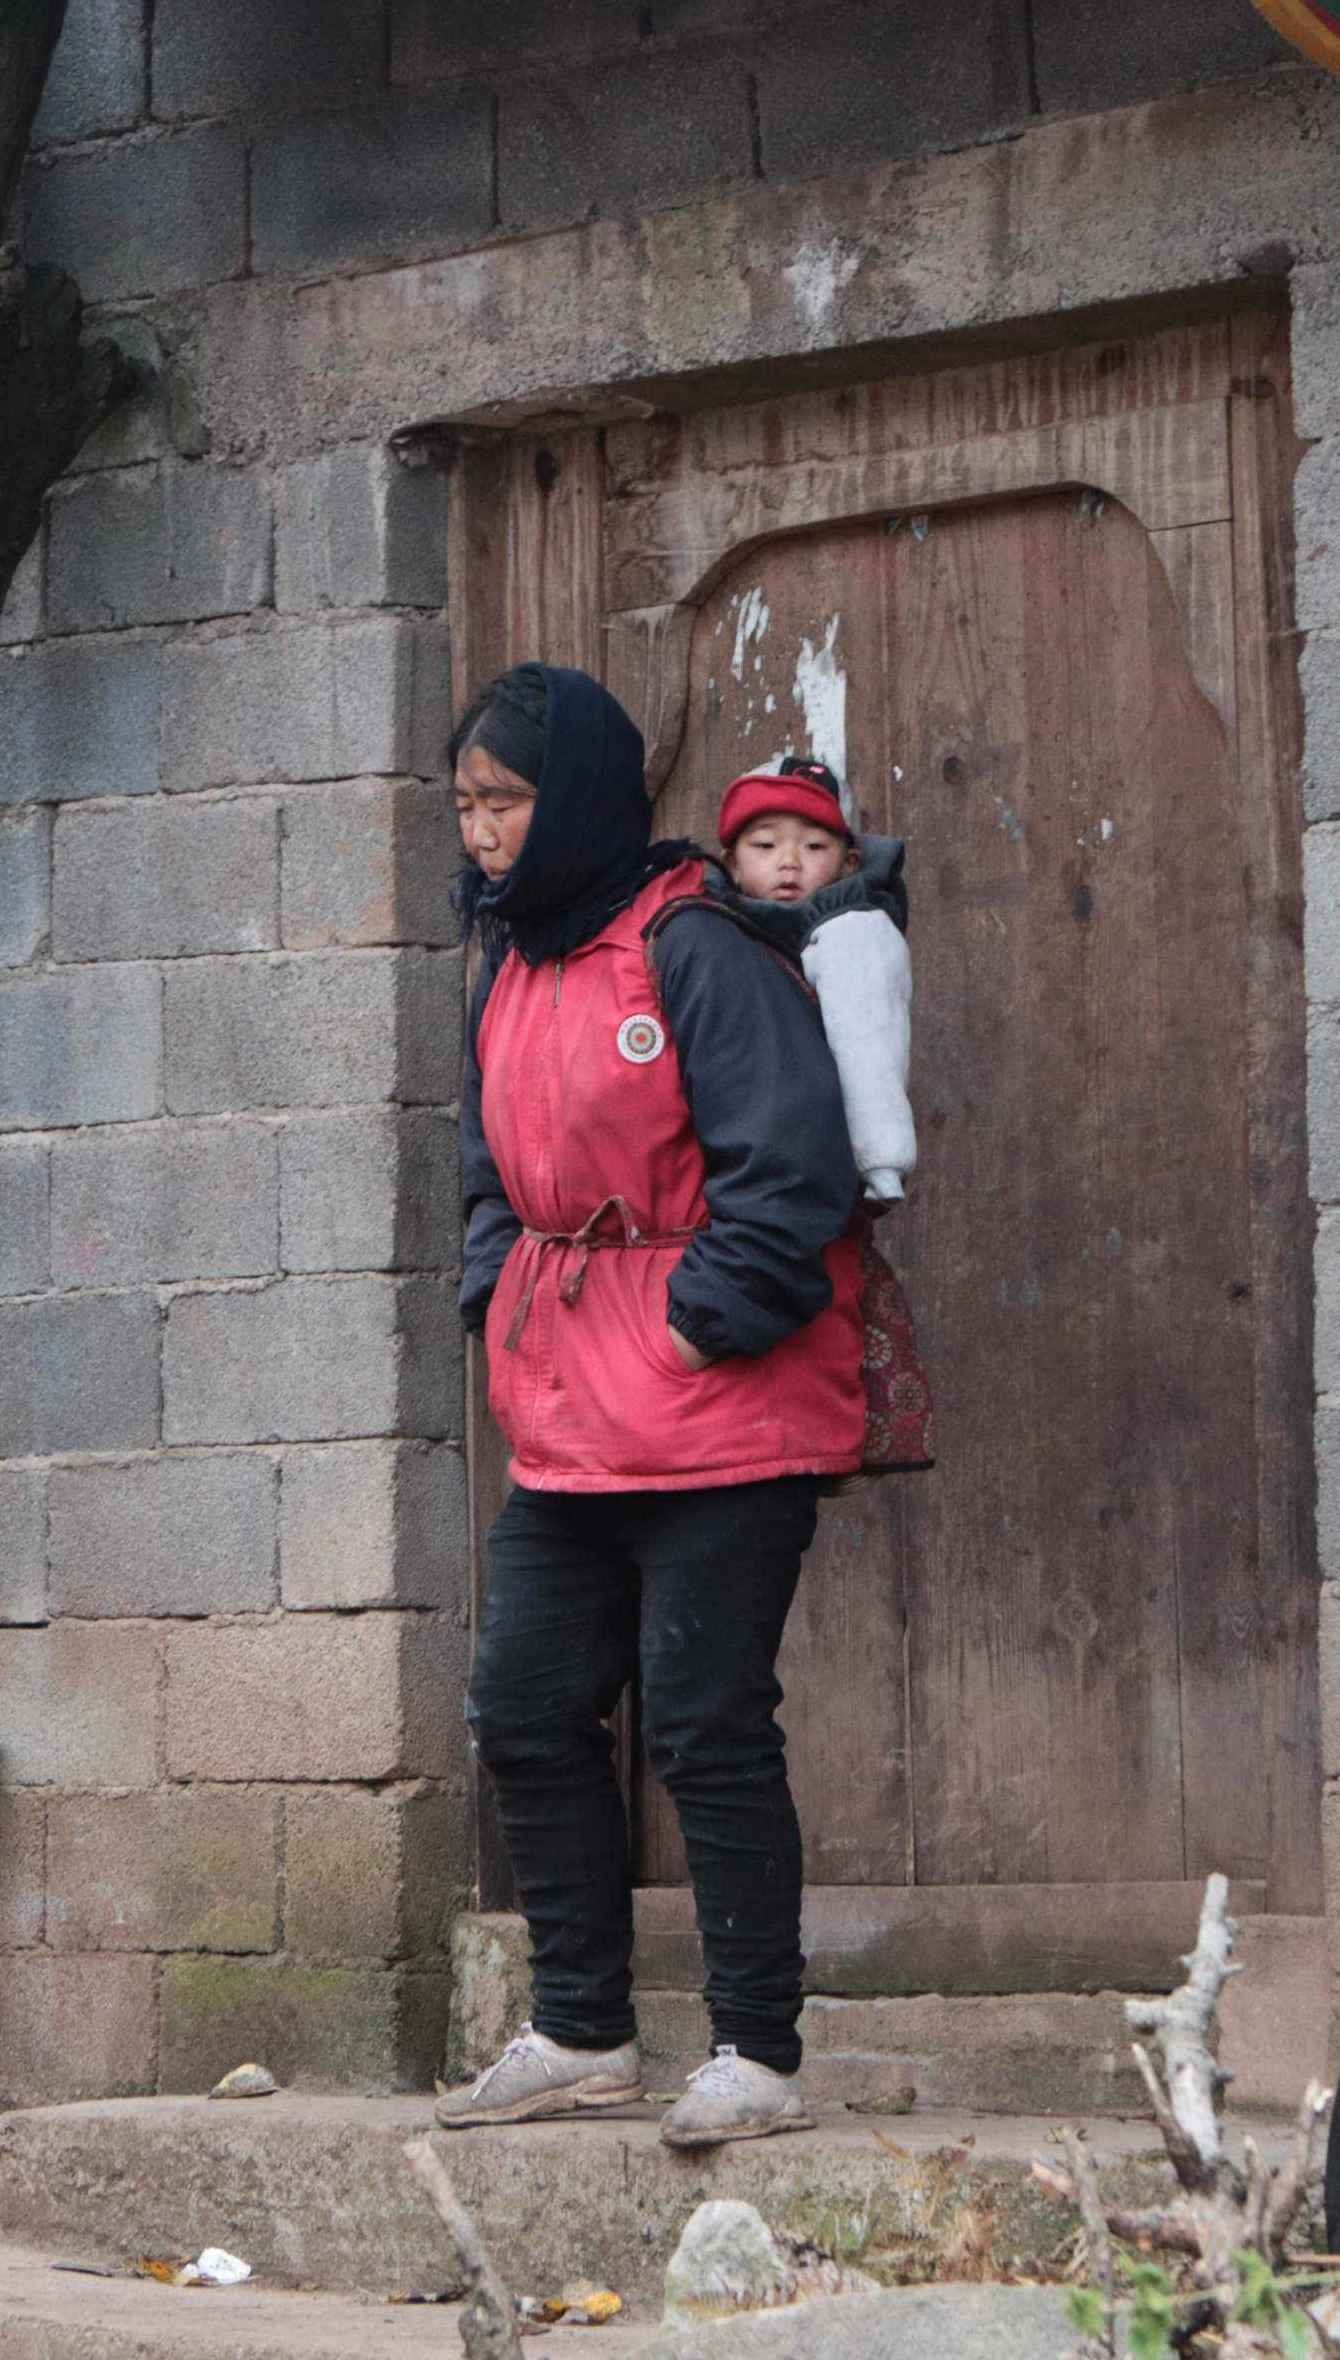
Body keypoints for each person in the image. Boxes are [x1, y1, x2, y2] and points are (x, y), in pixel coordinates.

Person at [433, 662, 866, 2150]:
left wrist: (692, 1329)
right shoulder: (510, 961)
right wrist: (499, 1291)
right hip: (567, 1401)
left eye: (506, 800)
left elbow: (792, 1169)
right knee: (527, 1705)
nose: (483, 831)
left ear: (583, 798)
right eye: (469, 805)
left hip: (720, 1405)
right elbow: (491, 1173)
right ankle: (581, 2027)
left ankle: (758, 2049)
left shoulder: (694, 946)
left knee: (704, 1718)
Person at [711, 753, 916, 1206]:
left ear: (850, 862)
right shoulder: (706, 931)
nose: (789, 863)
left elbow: (870, 1050)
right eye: (765, 846)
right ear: (732, 864)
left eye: (814, 847)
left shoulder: (851, 935)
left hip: (815, 1162)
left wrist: (881, 1164)